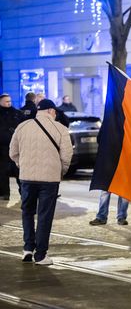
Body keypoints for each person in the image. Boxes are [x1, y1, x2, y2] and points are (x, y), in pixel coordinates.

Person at [9, 99, 73, 265]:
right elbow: (67, 156)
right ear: (51, 111)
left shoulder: (22, 127)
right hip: (49, 180)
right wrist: (60, 171)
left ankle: (28, 248)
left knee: (27, 212)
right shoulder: (61, 129)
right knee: (45, 215)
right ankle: (41, 255)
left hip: (27, 178)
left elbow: (13, 152)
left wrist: (22, 164)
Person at [0, 93, 24, 201]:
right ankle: (4, 193)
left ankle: (23, 192)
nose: (9, 103)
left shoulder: (17, 114)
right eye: (6, 101)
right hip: (2, 148)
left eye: (10, 101)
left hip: (16, 147)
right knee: (2, 172)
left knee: (18, 171)